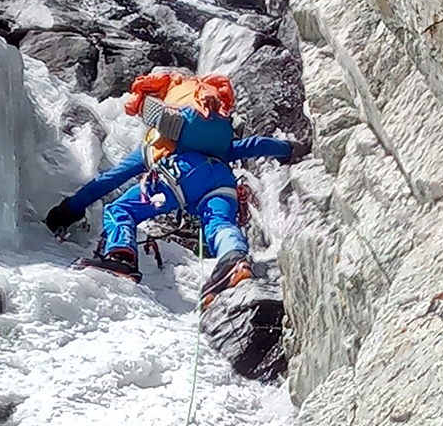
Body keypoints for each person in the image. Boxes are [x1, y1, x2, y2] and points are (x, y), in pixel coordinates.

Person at [45, 71, 305, 306]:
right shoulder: (221, 145)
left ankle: (120, 256)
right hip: (222, 179)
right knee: (221, 224)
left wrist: (68, 210)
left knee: (120, 210)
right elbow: (256, 144)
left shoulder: (156, 147)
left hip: (178, 175)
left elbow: (109, 180)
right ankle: (234, 259)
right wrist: (290, 149)